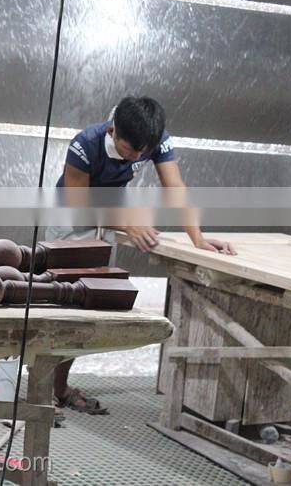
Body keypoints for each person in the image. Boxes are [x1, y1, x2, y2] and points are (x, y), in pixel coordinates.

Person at [48, 96, 236, 415]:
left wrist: (198, 238)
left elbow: (174, 187)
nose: (135, 158)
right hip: (70, 218)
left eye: (141, 153)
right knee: (60, 306)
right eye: (128, 152)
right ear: (112, 131)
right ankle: (44, 392)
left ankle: (58, 389)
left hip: (108, 215)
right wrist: (127, 224)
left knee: (86, 305)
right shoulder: (85, 144)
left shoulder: (155, 139)